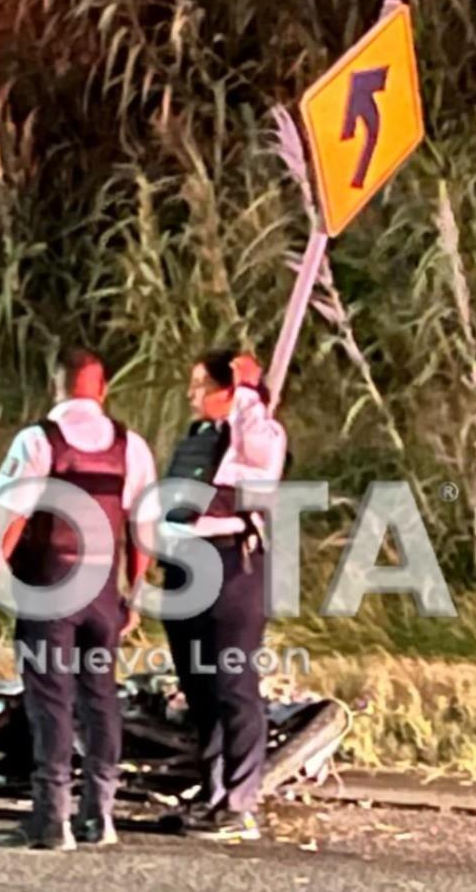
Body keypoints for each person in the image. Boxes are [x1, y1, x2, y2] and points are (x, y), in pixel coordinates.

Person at [0, 348, 158, 851]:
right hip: (102, 592)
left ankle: (52, 821)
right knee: (101, 700)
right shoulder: (131, 446)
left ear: (58, 386)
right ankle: (100, 815)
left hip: (49, 588)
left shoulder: (38, 441)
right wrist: (133, 595)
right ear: (102, 390)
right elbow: (143, 529)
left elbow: (9, 519)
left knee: (49, 702)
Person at [159, 348, 287, 843]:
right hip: (184, 563)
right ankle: (212, 795)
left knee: (234, 684)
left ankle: (240, 803)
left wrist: (250, 391)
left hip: (232, 563)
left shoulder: (261, 435)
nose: (193, 396)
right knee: (200, 688)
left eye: (200, 386)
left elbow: (256, 449)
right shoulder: (200, 438)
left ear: (227, 392)